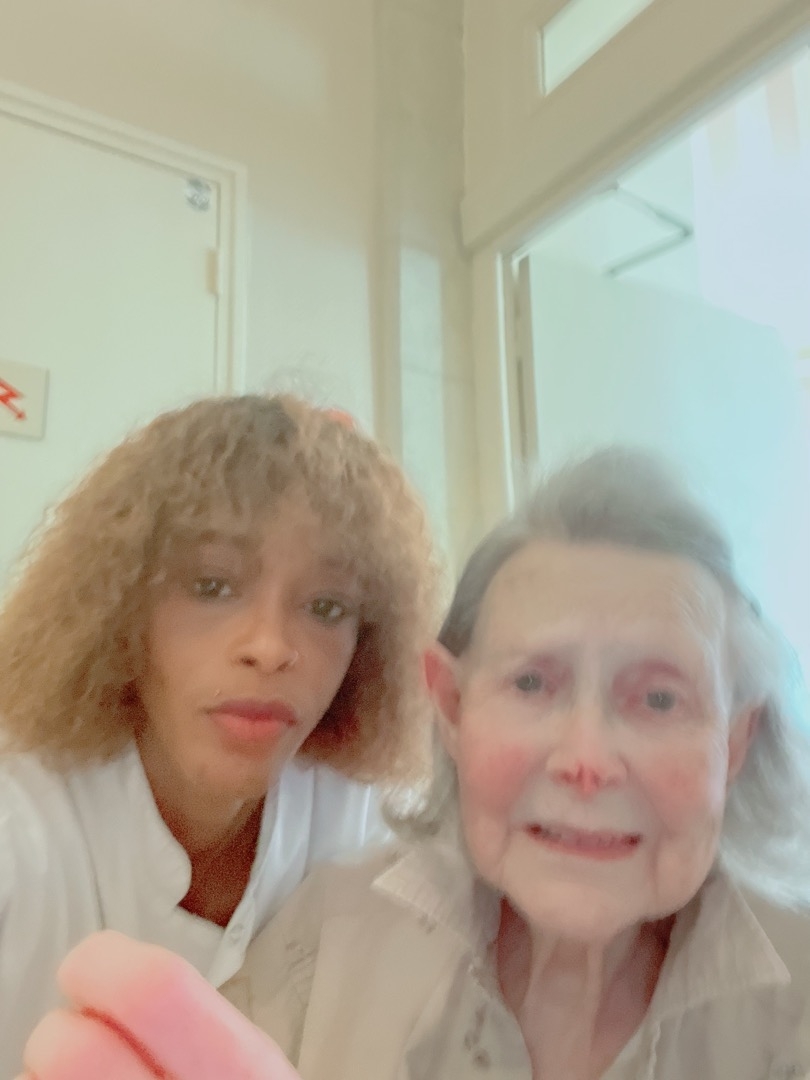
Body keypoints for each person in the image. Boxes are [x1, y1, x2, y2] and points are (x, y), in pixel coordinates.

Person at [17, 449, 810, 1080]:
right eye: (532, 683)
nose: (587, 760)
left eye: (660, 699)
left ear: (735, 743)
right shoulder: (327, 935)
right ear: (451, 706)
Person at [0, 393, 438, 1079]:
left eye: (327, 606)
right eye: (211, 585)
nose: (271, 647)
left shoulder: (368, 816)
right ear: (120, 606)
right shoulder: (21, 818)